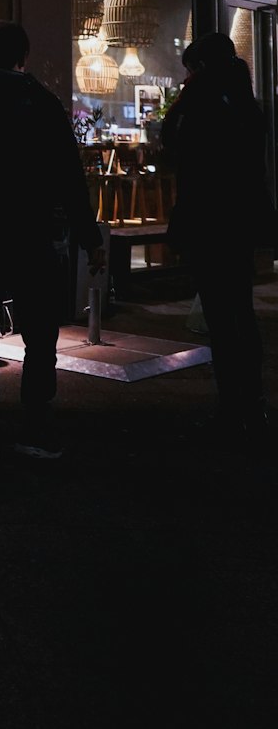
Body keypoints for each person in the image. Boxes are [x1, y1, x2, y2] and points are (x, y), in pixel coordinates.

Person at [0, 20, 105, 459]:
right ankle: (35, 426)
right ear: (21, 57)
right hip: (29, 232)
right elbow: (69, 175)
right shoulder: (40, 102)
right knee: (41, 333)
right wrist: (89, 235)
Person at [160, 32, 275, 449]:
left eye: (189, 70)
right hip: (240, 222)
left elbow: (170, 142)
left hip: (210, 222)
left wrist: (184, 101)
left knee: (222, 319)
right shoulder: (246, 105)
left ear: (200, 69)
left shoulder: (204, 106)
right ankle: (252, 405)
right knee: (239, 312)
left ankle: (231, 410)